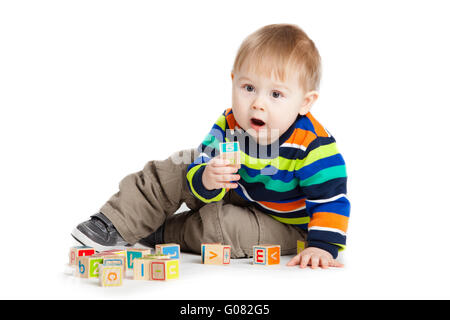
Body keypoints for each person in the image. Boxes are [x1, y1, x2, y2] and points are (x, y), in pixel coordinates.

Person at [72, 23, 350, 269]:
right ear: (234, 82)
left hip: (285, 223)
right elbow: (201, 165)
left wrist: (322, 246)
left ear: (305, 102)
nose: (258, 103)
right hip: (241, 190)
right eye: (249, 88)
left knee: (224, 227)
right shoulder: (230, 123)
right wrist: (206, 175)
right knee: (178, 168)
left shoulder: (313, 145)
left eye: (276, 94)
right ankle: (117, 221)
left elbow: (331, 200)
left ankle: (161, 233)